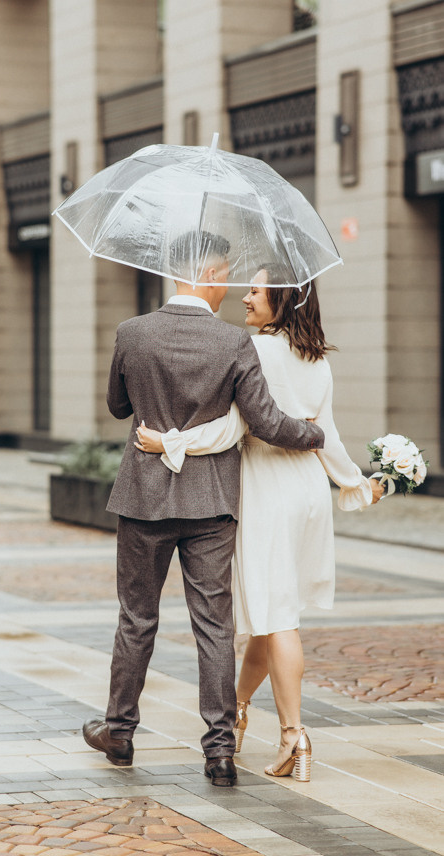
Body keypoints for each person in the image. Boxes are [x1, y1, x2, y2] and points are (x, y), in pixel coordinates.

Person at [82, 236, 325, 788]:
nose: (231, 288)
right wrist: (314, 434)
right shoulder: (232, 342)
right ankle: (219, 753)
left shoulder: (132, 333)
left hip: (143, 498)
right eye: (227, 277)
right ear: (210, 275)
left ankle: (119, 731)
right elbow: (266, 422)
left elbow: (119, 406)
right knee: (214, 626)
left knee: (136, 617)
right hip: (211, 502)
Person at [135, 267, 383, 783]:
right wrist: (355, 484)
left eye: (256, 290)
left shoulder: (256, 350)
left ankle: (295, 734)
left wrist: (171, 444)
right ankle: (240, 709)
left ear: (283, 300)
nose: (245, 297)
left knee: (278, 617)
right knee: (273, 611)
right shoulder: (316, 358)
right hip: (308, 490)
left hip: (268, 488)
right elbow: (325, 433)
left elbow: (235, 427)